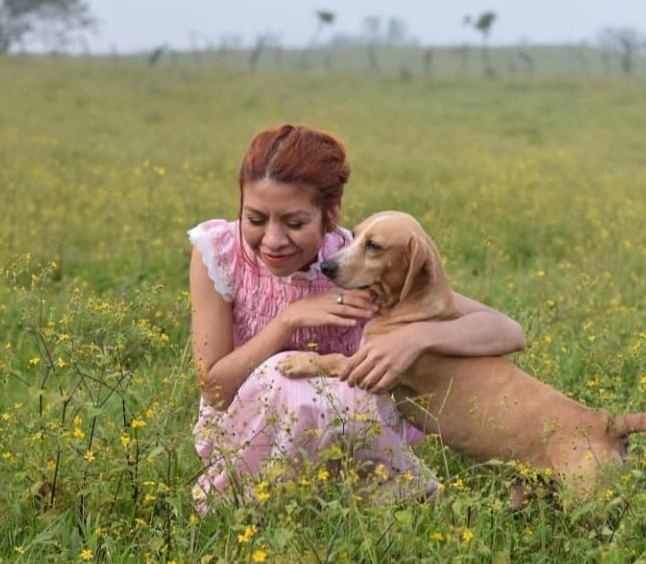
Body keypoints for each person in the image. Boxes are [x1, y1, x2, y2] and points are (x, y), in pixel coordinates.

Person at [188, 124, 525, 514]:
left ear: (331, 214)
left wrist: (416, 340)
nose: (274, 240)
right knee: (285, 371)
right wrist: (288, 320)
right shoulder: (220, 252)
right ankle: (250, 504)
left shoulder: (355, 261)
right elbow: (214, 390)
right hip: (244, 434)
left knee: (354, 382)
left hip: (347, 442)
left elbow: (507, 330)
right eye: (256, 218)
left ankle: (397, 500)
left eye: (295, 223)